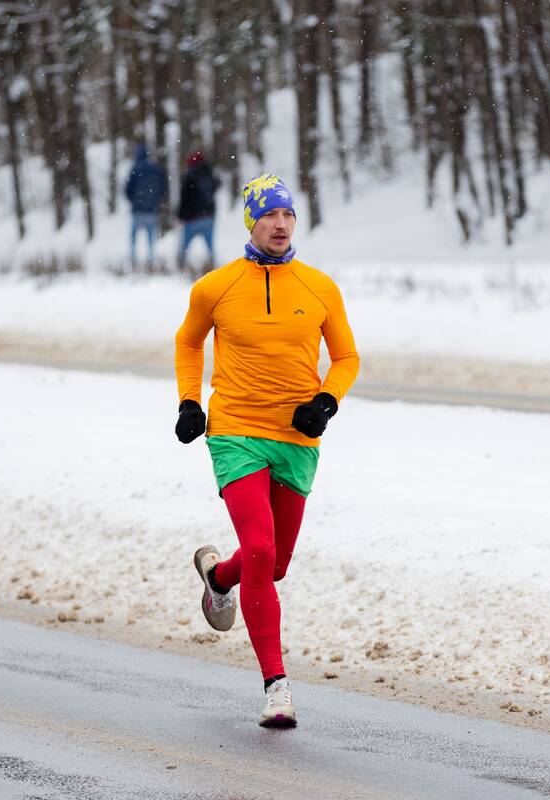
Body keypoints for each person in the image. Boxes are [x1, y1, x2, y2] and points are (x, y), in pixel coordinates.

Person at [173, 173, 359, 729]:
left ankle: (218, 578)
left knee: (273, 564)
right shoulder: (216, 287)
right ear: (251, 222)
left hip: (297, 437)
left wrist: (326, 401)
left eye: (287, 214)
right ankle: (276, 686)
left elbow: (347, 357)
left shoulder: (319, 287)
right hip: (235, 431)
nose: (280, 224)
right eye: (269, 215)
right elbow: (188, 340)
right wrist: (189, 402)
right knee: (258, 547)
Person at [176, 151, 222, 273]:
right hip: (208, 216)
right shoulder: (209, 174)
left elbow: (184, 198)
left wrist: (180, 215)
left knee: (184, 245)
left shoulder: (189, 176)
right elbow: (217, 185)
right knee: (210, 245)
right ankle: (212, 264)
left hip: (192, 218)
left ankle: (181, 267)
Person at [124, 143, 168, 270]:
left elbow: (127, 190)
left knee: (133, 238)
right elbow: (163, 187)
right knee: (151, 238)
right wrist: (156, 201)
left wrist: (134, 201)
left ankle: (133, 261)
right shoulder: (156, 169)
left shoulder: (135, 169)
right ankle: (151, 262)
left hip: (138, 211)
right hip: (152, 211)